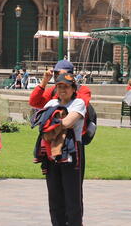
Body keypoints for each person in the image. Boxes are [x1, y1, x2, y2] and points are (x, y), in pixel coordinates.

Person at [37, 72, 87, 226]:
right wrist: (54, 123)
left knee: (72, 198)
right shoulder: (50, 104)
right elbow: (41, 124)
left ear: (73, 89)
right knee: (54, 197)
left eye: (66, 86)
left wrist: (50, 123)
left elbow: (67, 123)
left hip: (71, 153)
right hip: (51, 154)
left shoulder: (78, 103)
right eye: (59, 86)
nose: (62, 90)